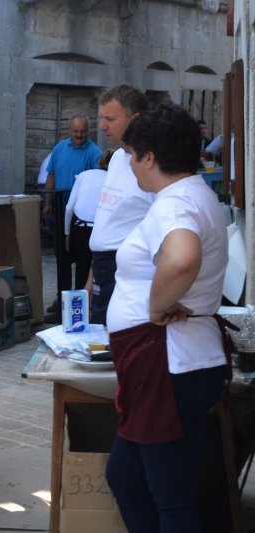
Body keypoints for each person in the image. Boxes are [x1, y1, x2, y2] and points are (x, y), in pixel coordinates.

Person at [104, 102, 229, 532]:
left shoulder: (174, 204)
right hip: (166, 364)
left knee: (171, 499)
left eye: (132, 155)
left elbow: (180, 260)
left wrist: (155, 308)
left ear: (150, 157)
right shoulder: (190, 194)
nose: (131, 166)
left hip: (167, 362)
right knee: (125, 477)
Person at [87, 84, 153, 325]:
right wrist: (91, 277)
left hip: (127, 271)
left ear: (135, 119)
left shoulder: (151, 165)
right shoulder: (115, 158)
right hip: (102, 266)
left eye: (110, 119)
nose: (102, 126)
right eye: (101, 118)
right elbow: (109, 222)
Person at [63, 149, 113, 292]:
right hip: (101, 229)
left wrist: (67, 232)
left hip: (79, 227)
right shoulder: (114, 179)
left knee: (81, 269)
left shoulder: (84, 175)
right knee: (100, 268)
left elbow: (69, 207)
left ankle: (79, 307)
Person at [42, 115, 103, 216]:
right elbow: (51, 175)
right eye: (75, 131)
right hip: (59, 205)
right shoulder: (59, 148)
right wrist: (47, 203)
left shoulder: (95, 153)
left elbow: (99, 183)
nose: (79, 135)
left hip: (81, 209)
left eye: (83, 131)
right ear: (70, 130)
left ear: (88, 131)